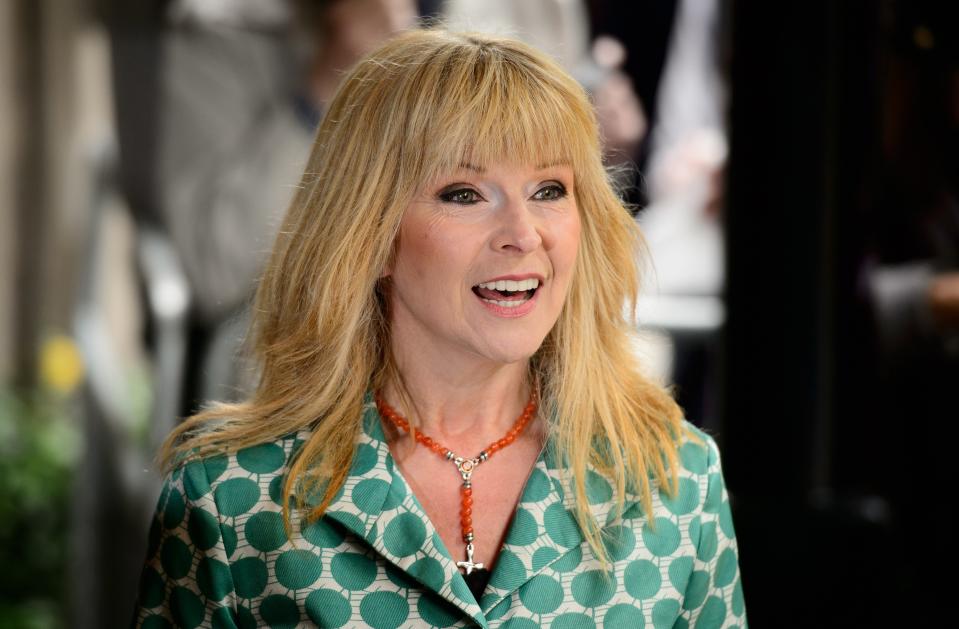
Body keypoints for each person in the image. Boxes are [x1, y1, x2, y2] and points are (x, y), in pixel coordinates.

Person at [131, 29, 746, 627]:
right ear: (372, 235)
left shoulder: (676, 483)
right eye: (464, 194)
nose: (524, 234)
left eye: (549, 189)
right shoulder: (231, 503)